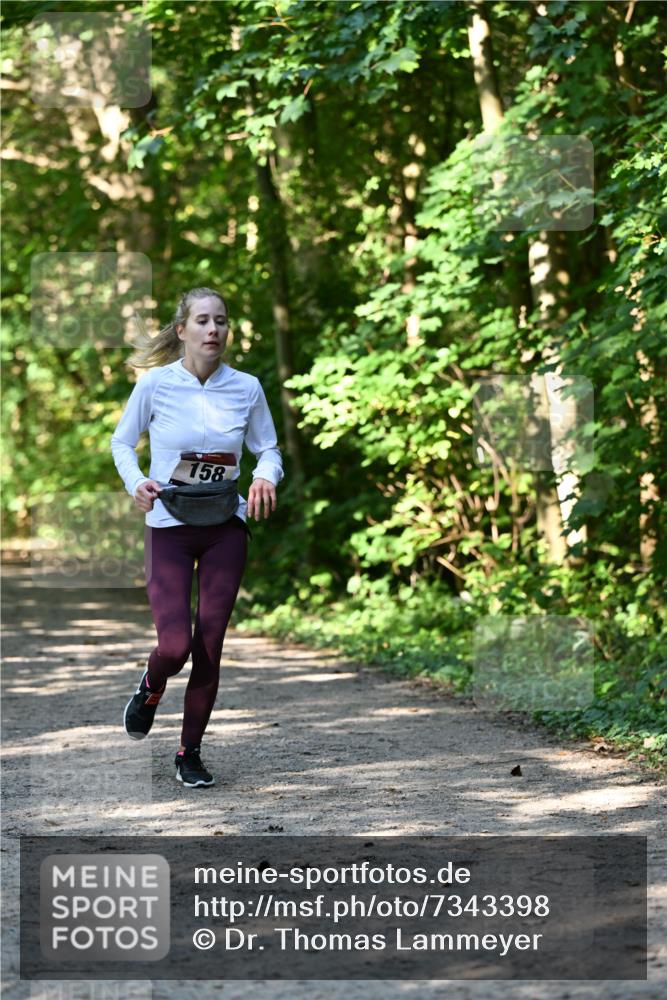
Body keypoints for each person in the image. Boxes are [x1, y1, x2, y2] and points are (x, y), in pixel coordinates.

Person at [110, 286, 283, 788]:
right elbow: (122, 442)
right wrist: (136, 481)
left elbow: (267, 447)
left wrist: (264, 475)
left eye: (222, 321)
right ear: (182, 330)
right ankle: (150, 686)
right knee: (174, 643)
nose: (214, 330)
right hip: (170, 525)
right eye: (203, 321)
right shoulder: (155, 386)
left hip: (225, 526)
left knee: (210, 644)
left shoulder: (246, 387)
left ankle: (190, 753)